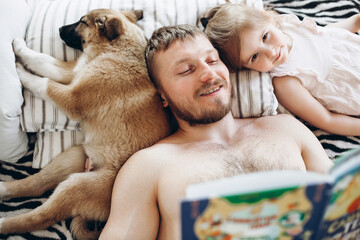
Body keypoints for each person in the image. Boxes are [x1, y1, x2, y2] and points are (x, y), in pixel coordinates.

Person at [99, 24, 333, 240]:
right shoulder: (149, 166)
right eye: (186, 70)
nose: (208, 75)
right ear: (162, 96)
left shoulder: (286, 128)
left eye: (212, 61)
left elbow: (342, 209)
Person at [201, 3, 360, 136]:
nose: (270, 52)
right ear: (244, 67)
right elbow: (328, 120)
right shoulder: (285, 82)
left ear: (267, 17)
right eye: (254, 56)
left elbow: (325, 36)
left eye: (265, 37)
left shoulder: (287, 26)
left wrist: (355, 21)